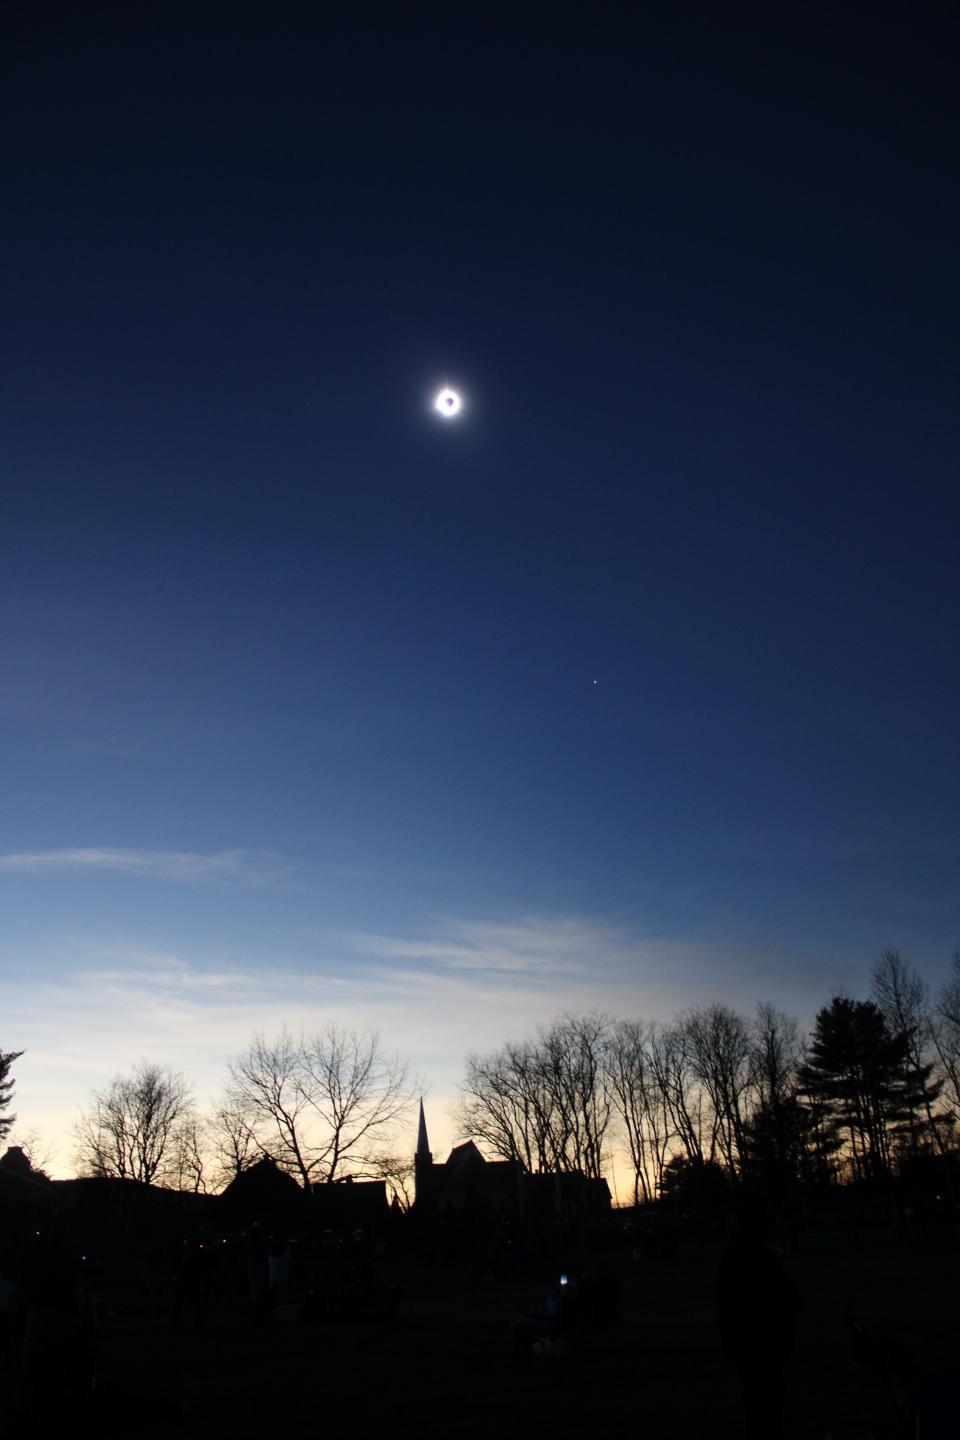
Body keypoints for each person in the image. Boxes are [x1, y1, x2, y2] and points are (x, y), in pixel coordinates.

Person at [716, 1194, 802, 1439]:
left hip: (752, 1343)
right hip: (756, 1343)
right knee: (764, 1402)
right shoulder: (747, 1254)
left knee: (764, 1401)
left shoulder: (745, 1252)